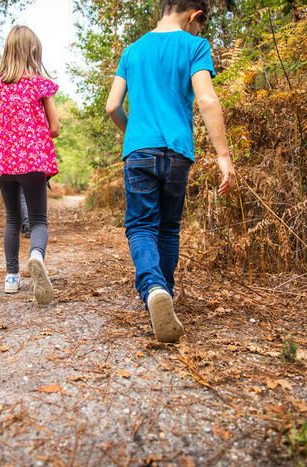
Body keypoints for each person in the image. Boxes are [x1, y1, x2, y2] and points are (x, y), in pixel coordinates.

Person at [106, 0, 236, 343]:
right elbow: (207, 100)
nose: (200, 32)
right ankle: (163, 291)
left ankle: (152, 289)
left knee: (140, 225)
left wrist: (134, 133)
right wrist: (224, 156)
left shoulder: (131, 51)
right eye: (201, 25)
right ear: (195, 16)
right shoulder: (195, 45)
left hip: (139, 150)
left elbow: (112, 106)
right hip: (178, 152)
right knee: (168, 227)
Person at [0, 25, 60, 304]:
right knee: (38, 220)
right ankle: (36, 255)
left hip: (4, 163)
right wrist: (34, 133)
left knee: (13, 219)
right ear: (33, 51)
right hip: (33, 161)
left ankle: (11, 277)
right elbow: (56, 127)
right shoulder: (39, 85)